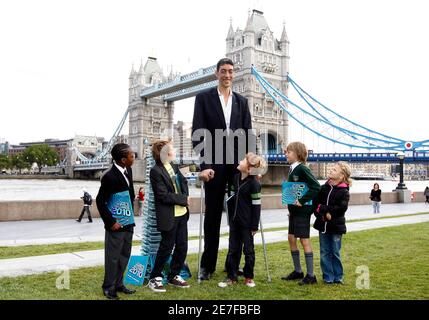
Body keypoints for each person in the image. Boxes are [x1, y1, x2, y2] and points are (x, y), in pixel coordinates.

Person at [192, 57, 254, 281]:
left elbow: (247, 133)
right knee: (213, 216)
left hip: (238, 164)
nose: (227, 75)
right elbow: (198, 132)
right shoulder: (203, 98)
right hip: (214, 163)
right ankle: (207, 265)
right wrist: (205, 165)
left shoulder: (242, 101)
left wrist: (248, 160)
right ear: (216, 73)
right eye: (223, 71)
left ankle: (232, 265)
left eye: (231, 71)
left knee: (238, 215)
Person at [218, 153, 267, 288]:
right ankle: (231, 276)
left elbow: (256, 206)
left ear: (249, 169)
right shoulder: (235, 178)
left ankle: (248, 277)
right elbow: (231, 198)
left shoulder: (254, 184)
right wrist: (230, 218)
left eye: (243, 160)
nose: (239, 160)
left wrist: (254, 226)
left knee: (249, 251)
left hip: (247, 224)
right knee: (233, 249)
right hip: (234, 222)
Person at [148, 139, 190, 293]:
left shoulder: (174, 166)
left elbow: (183, 183)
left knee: (182, 246)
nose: (174, 151)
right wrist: (183, 199)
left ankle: (174, 275)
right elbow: (162, 196)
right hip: (169, 216)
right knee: (166, 247)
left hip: (182, 214)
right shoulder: (156, 171)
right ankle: (155, 278)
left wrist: (185, 197)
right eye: (172, 149)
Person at [96, 143, 136, 300]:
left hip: (128, 221)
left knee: (125, 254)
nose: (134, 157)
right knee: (112, 257)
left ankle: (119, 284)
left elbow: (129, 194)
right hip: (115, 223)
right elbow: (100, 202)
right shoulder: (109, 176)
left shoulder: (129, 170)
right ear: (123, 159)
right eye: (132, 156)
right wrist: (111, 222)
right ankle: (108, 287)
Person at [281, 142, 320, 285]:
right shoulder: (292, 169)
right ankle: (298, 271)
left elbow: (316, 186)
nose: (286, 154)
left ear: (297, 154)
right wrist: (290, 205)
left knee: (304, 240)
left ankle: (311, 276)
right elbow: (294, 189)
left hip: (303, 211)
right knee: (291, 238)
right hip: (294, 212)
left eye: (288, 152)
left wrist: (302, 201)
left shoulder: (303, 168)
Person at [313, 161, 352, 284]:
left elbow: (341, 209)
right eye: (331, 169)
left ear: (342, 176)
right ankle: (328, 277)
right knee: (324, 252)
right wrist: (322, 214)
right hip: (323, 225)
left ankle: (338, 276)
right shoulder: (323, 188)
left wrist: (324, 209)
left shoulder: (344, 191)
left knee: (335, 252)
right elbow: (316, 205)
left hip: (336, 227)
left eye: (334, 170)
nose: (330, 170)